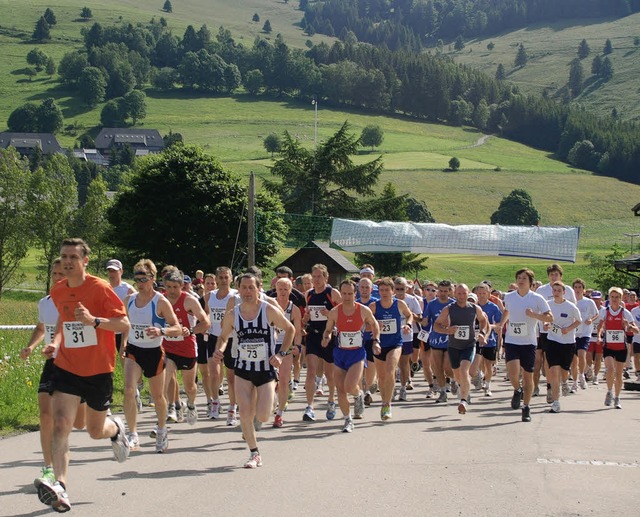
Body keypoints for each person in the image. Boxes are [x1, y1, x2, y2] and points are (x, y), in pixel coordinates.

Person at [37, 238, 131, 512]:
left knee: (92, 430)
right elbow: (63, 319)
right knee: (61, 424)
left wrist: (94, 321)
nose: (67, 262)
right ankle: (60, 486)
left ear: (85, 261)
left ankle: (116, 429)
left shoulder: (99, 288)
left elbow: (123, 323)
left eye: (73, 258)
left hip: (99, 370)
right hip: (67, 367)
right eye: (64, 256)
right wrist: (55, 341)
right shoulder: (58, 290)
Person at [213, 273, 295, 468]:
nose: (248, 291)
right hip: (243, 368)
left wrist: (281, 354)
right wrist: (220, 350)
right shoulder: (233, 314)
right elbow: (223, 337)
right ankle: (254, 453)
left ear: (259, 289)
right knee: (245, 413)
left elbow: (290, 329)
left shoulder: (268, 310)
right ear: (238, 290)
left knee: (264, 416)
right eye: (244, 288)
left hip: (266, 369)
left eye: (252, 287)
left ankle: (270, 400)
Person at [21, 258, 86, 493]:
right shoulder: (45, 302)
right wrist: (30, 346)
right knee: (46, 414)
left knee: (80, 423)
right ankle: (48, 467)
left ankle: (107, 424)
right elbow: (41, 328)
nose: (58, 278)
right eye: (55, 274)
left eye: (62, 274)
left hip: (78, 364)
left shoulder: (77, 302)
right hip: (53, 362)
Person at [122, 260, 181, 453]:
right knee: (129, 390)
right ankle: (133, 435)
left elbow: (177, 327)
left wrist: (161, 330)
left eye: (144, 278)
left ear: (153, 279)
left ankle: (162, 430)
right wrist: (123, 342)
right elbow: (125, 324)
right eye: (136, 278)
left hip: (154, 352)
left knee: (158, 397)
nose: (140, 283)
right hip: (134, 350)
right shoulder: (130, 300)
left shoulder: (160, 301)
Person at [321, 280, 380, 432]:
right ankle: (348, 419)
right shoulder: (335, 311)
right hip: (340, 353)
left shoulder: (363, 310)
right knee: (340, 389)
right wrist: (326, 337)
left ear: (355, 294)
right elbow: (327, 330)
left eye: (350, 293)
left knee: (349, 386)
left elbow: (375, 325)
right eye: (344, 293)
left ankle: (358, 394)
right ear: (341, 294)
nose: (347, 297)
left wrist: (376, 341)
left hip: (357, 354)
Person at [498, 268, 552, 422]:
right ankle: (517, 389)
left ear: (530, 282)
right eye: (519, 278)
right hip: (512, 340)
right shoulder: (509, 297)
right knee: (513, 373)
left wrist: (534, 315)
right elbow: (507, 311)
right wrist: (501, 324)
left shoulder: (537, 298)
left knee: (528, 377)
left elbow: (549, 317)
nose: (521, 280)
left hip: (528, 342)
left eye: (524, 278)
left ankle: (526, 407)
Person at [162, 269, 210, 426]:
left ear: (181, 286)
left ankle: (190, 404)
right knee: (167, 375)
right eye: (168, 287)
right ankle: (171, 407)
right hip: (167, 347)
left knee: (190, 387)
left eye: (175, 287)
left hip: (187, 347)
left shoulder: (189, 300)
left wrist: (190, 330)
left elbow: (205, 322)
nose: (172, 291)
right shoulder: (161, 300)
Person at [433, 284, 489, 414]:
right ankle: (464, 388)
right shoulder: (449, 309)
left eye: (464, 293)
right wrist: (447, 330)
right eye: (459, 294)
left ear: (468, 293)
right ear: (454, 294)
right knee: (457, 374)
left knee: (464, 370)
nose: (462, 296)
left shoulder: (475, 308)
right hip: (453, 346)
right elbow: (436, 325)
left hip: (469, 345)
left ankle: (463, 400)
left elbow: (483, 321)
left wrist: (482, 332)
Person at [302, 264, 341, 422]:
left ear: (326, 278)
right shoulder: (309, 294)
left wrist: (330, 314)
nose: (316, 280)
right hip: (313, 335)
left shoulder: (332, 293)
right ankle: (309, 407)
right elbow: (306, 316)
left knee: (330, 374)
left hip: (330, 336)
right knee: (311, 371)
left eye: (320, 277)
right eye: (314, 277)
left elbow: (343, 313)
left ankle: (331, 401)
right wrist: (305, 319)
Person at [370, 277, 413, 420]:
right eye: (381, 290)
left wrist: (408, 325)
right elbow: (365, 322)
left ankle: (387, 404)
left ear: (392, 291)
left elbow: (409, 315)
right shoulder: (374, 306)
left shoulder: (399, 304)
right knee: (381, 377)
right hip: (379, 344)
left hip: (395, 343)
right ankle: (384, 401)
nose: (384, 293)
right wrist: (375, 326)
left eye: (387, 290)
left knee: (390, 371)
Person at [204, 267, 237, 422]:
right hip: (213, 338)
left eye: (226, 277)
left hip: (230, 339)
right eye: (221, 277)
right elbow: (206, 314)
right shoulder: (209, 296)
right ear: (216, 279)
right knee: (214, 373)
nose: (224, 280)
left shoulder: (235, 296)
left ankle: (232, 407)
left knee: (231, 377)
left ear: (231, 278)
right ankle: (215, 403)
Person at [597, 287, 638, 409]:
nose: (614, 300)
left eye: (617, 297)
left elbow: (636, 330)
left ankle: (617, 397)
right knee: (610, 369)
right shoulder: (605, 312)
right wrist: (599, 337)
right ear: (609, 298)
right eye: (612, 297)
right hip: (608, 346)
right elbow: (599, 327)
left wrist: (628, 326)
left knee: (619, 373)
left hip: (621, 347)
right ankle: (609, 391)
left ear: (621, 299)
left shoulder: (625, 313)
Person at [545, 282, 582, 413]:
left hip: (567, 343)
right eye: (554, 290)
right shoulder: (548, 304)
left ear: (564, 292)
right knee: (554, 371)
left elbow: (579, 320)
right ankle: (556, 402)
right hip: (552, 341)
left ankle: (565, 382)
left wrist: (569, 328)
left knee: (564, 372)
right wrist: (546, 325)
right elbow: (545, 318)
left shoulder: (571, 306)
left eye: (559, 290)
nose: (556, 293)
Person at [271, 277, 303, 428]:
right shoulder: (270, 306)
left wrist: (297, 345)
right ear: (275, 290)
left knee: (283, 380)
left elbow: (297, 331)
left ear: (290, 291)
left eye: (286, 289)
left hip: (286, 347)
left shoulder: (294, 309)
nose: (283, 292)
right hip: (270, 347)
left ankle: (280, 414)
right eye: (280, 289)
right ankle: (270, 403)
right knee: (269, 380)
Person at [422, 280, 455, 403]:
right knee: (438, 368)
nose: (442, 293)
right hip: (435, 339)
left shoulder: (454, 304)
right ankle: (442, 392)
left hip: (450, 340)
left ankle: (453, 380)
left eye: (445, 291)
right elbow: (426, 319)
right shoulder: (432, 304)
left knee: (447, 367)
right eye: (440, 291)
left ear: (449, 291)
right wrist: (423, 321)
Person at [571, 279, 599, 391]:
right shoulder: (570, 302)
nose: (577, 290)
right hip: (572, 333)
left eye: (579, 287)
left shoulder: (589, 302)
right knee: (573, 359)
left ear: (584, 290)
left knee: (581, 354)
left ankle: (581, 374)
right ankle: (574, 382)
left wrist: (591, 320)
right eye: (576, 287)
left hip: (585, 332)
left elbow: (596, 314)